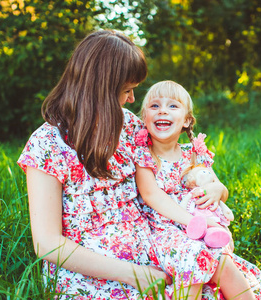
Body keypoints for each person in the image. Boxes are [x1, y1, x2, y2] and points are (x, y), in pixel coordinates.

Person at [17, 30, 172, 299]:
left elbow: (167, 174)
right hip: (92, 273)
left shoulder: (129, 126)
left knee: (217, 279)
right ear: (100, 91)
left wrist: (206, 184)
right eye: (126, 90)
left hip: (150, 249)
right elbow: (47, 243)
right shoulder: (47, 145)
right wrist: (134, 274)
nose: (133, 100)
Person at [134, 80, 261, 300]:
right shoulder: (145, 156)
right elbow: (151, 195)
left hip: (202, 230)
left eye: (172, 106)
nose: (162, 111)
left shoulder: (194, 154)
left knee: (222, 260)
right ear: (144, 118)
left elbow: (218, 187)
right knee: (193, 256)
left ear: (187, 120)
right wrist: (192, 221)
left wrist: (218, 191)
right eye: (154, 106)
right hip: (164, 232)